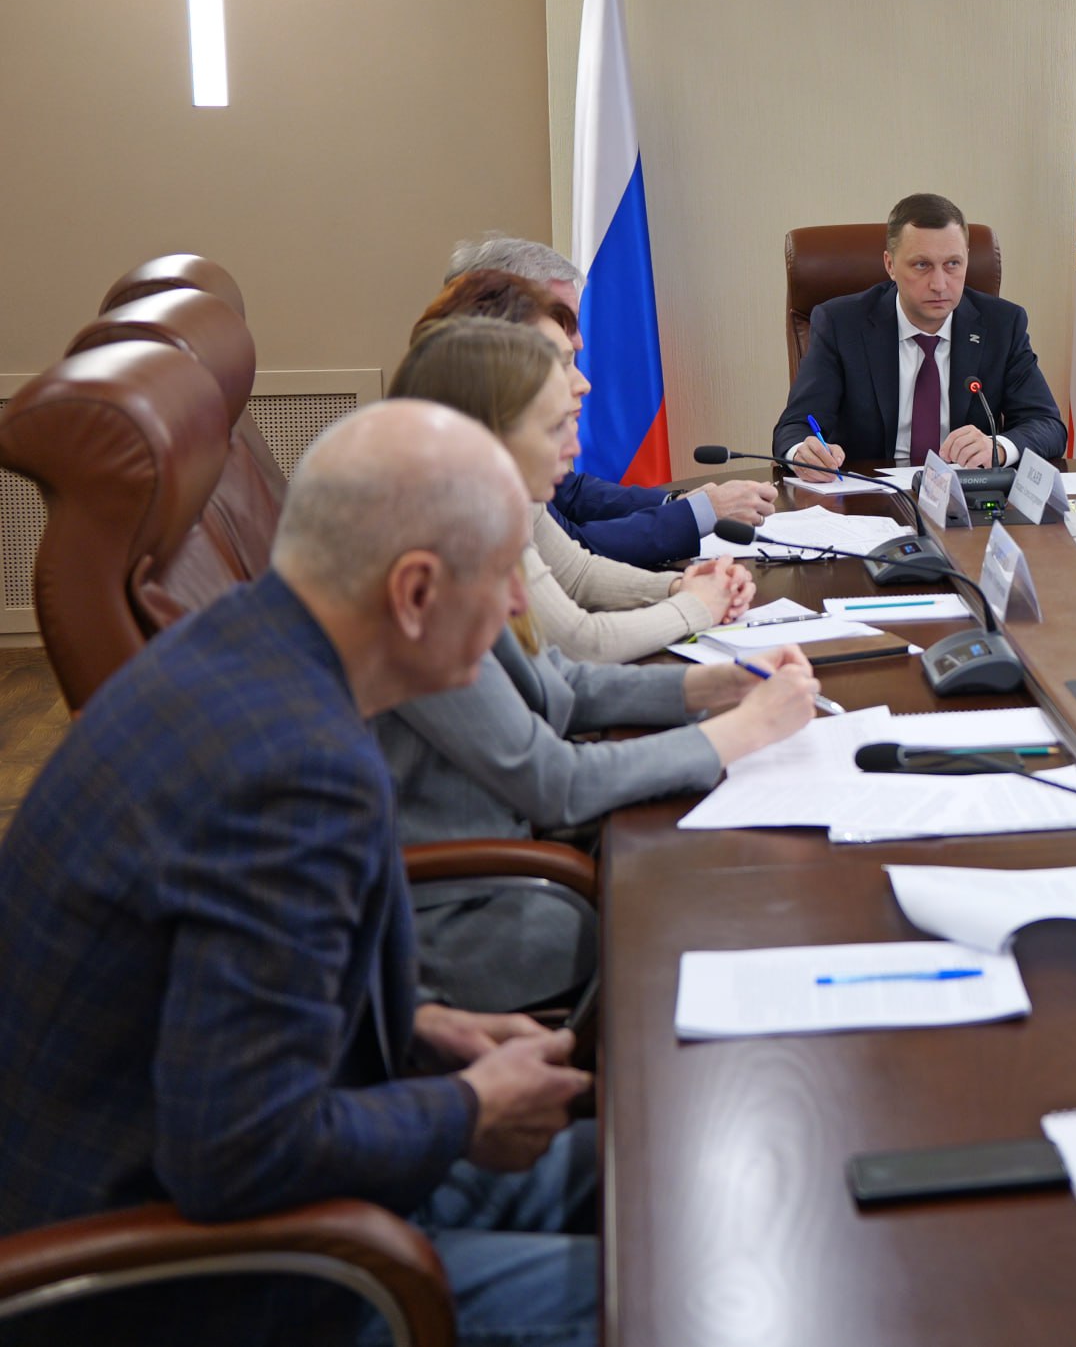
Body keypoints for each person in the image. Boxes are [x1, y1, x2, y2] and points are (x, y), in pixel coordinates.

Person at [0, 401, 597, 1347]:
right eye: (501, 575)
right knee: (673, 1293)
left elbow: (221, 1001)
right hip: (172, 1284)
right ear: (414, 592)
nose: (518, 606)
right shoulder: (300, 771)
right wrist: (469, 1109)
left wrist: (416, 1025)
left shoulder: (234, 646)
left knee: (644, 1170)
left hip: (200, 1179)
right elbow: (235, 1156)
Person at [380, 318, 823, 1012]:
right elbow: (553, 783)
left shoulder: (471, 523)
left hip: (516, 853)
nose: (576, 445)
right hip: (462, 914)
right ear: (486, 440)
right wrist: (742, 731)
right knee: (726, 905)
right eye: (555, 427)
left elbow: (558, 680)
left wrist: (716, 684)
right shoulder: (428, 578)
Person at [392, 319, 753, 665]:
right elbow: (578, 644)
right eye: (561, 360)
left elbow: (575, 574)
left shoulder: (501, 490)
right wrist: (695, 606)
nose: (582, 382)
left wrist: (679, 586)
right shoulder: (460, 520)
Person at [436, 245, 778, 561]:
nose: (579, 342)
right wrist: (700, 514)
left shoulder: (490, 408)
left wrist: (675, 503)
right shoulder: (460, 435)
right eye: (562, 322)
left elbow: (568, 492)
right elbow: (573, 555)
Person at [774, 193, 1066, 471]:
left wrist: (998, 447)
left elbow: (1047, 424)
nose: (939, 284)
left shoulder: (1002, 325)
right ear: (890, 265)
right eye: (922, 265)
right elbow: (795, 427)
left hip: (965, 495)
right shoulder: (841, 324)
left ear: (967, 259)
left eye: (952, 264)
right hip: (870, 495)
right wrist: (803, 452)